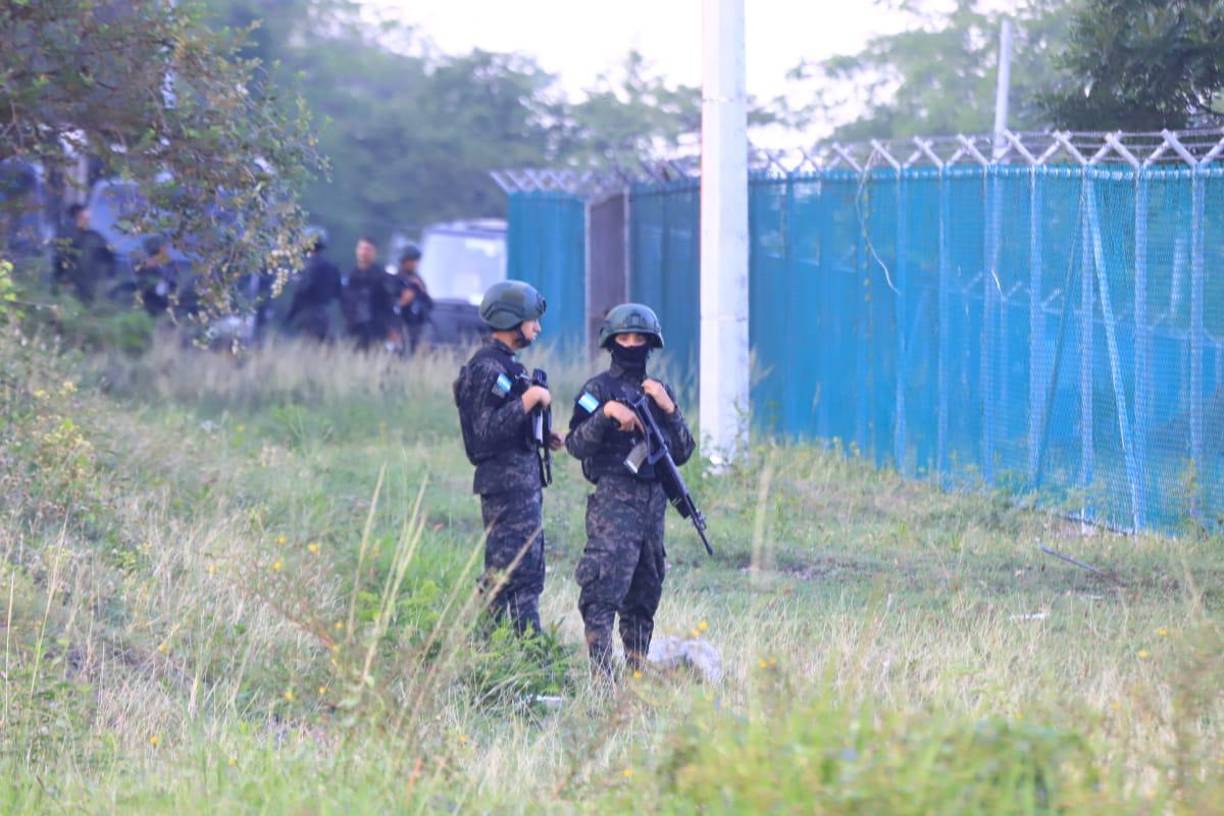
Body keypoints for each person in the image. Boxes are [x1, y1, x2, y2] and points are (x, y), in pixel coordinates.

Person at [564, 303, 695, 682]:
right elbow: (575, 444)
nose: (633, 344)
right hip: (614, 504)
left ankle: (636, 676)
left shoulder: (659, 392)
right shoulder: (597, 390)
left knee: (644, 594)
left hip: (653, 508)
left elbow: (683, 451)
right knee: (603, 589)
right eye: (625, 337)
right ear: (612, 341)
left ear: (651, 343)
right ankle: (602, 679)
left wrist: (669, 408)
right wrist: (606, 414)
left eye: (640, 338)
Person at [453, 280, 562, 634]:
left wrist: (545, 434)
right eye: (533, 320)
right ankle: (511, 651)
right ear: (513, 320)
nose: (538, 328)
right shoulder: (486, 369)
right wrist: (528, 402)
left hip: (521, 484)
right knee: (507, 574)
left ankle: (512, 648)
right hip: (504, 487)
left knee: (526, 572)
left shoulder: (509, 368)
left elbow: (507, 425)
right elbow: (483, 436)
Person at [284, 228, 342, 341]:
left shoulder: (308, 267)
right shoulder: (332, 267)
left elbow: (300, 292)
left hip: (308, 316)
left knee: (309, 349)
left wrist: (289, 316)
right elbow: (338, 292)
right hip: (325, 315)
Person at [340, 235, 396, 351]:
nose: (364, 252)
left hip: (375, 330)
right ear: (357, 251)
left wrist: (390, 327)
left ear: (375, 253)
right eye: (361, 248)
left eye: (368, 249)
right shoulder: (351, 276)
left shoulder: (382, 277)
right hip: (353, 329)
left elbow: (390, 305)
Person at [51, 203, 114, 303]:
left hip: (88, 286)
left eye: (88, 219)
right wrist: (65, 281)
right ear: (76, 218)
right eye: (83, 218)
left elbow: (109, 257)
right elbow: (61, 261)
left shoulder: (94, 237)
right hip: (71, 286)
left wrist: (109, 278)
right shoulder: (66, 236)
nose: (87, 221)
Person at [391, 244, 433, 354]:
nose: (415, 264)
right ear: (405, 261)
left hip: (416, 327)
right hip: (399, 326)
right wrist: (402, 302)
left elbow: (429, 304)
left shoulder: (418, 280)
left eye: (416, 260)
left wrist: (422, 291)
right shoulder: (395, 280)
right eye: (412, 260)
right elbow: (389, 304)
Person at [135, 235, 175, 316]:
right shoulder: (142, 263)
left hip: (163, 298)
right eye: (165, 246)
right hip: (151, 298)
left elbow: (171, 278)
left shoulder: (168, 262)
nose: (168, 248)